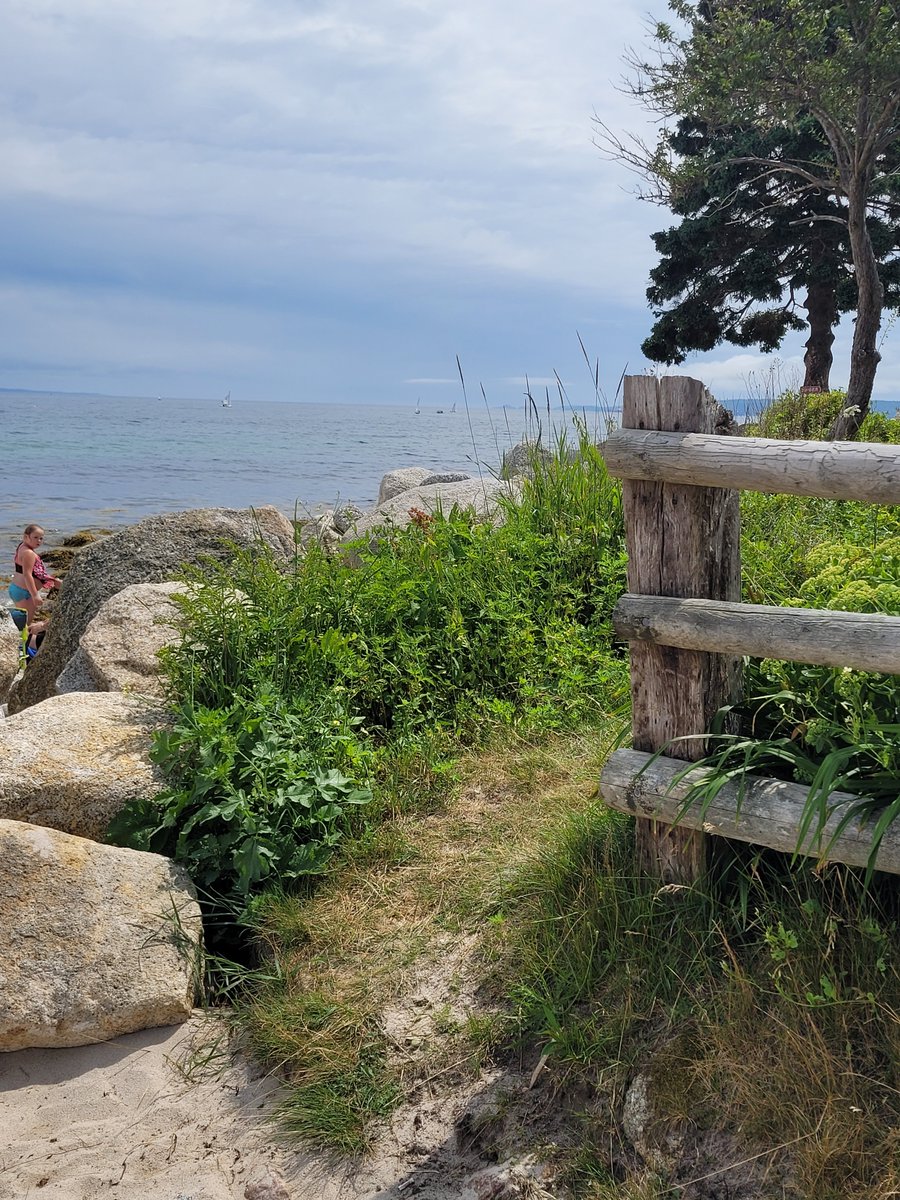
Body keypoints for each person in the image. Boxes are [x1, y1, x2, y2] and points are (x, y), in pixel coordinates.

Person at [9, 524, 60, 625]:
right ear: (26, 536)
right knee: (24, 624)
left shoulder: (22, 546)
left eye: (41, 538)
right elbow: (27, 575)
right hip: (24, 592)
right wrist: (35, 595)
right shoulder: (29, 553)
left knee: (21, 621)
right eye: (35, 537)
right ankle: (23, 640)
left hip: (18, 588)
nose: (39, 541)